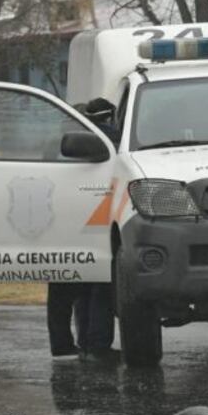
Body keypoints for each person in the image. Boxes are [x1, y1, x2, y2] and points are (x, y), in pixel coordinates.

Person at [76, 97, 120, 361]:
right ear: (110, 117)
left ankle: (84, 343)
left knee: (83, 285)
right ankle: (99, 345)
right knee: (103, 285)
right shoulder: (114, 139)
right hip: (105, 216)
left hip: (78, 218)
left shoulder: (76, 140)